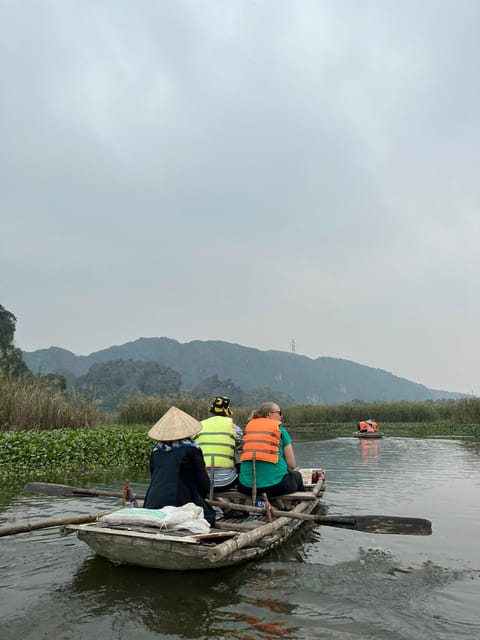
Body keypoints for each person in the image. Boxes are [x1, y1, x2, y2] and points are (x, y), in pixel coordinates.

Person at [143, 405, 216, 525]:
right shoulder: (192, 450)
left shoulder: (156, 451)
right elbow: (203, 484)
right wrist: (199, 496)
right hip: (181, 501)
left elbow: (154, 477)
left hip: (152, 501)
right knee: (208, 516)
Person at [237, 402, 305, 498]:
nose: (281, 416)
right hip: (276, 486)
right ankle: (295, 504)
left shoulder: (248, 429)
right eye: (279, 413)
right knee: (297, 476)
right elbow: (291, 466)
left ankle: (280, 507)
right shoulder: (280, 430)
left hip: (245, 486)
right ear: (270, 415)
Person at [195, 395, 243, 491]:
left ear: (212, 412)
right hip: (226, 481)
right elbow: (241, 442)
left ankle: (222, 505)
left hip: (202, 480)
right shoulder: (234, 427)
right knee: (239, 460)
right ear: (226, 412)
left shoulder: (199, 425)